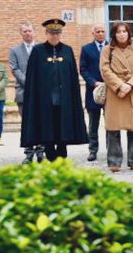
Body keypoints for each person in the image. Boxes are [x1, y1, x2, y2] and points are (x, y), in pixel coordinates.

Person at [20, 19, 88, 159]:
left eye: (57, 33)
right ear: (46, 33)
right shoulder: (38, 51)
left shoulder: (67, 50)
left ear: (61, 33)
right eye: (52, 33)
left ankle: (62, 153)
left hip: (64, 98)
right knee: (47, 128)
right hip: (45, 99)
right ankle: (50, 154)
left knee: (63, 126)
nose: (54, 36)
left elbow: (72, 76)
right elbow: (32, 77)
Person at [99, 21, 133, 172]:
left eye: (124, 31)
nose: (122, 34)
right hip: (115, 92)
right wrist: (120, 85)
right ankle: (114, 161)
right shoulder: (107, 50)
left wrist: (130, 85)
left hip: (131, 91)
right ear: (114, 34)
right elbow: (105, 70)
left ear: (128, 33)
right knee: (113, 128)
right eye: (118, 32)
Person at [9, 22, 42, 162]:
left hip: (41, 93)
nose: (28, 33)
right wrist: (28, 82)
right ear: (21, 33)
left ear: (34, 32)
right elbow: (14, 69)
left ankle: (40, 151)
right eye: (25, 31)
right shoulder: (14, 50)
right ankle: (28, 152)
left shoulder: (42, 48)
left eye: (29, 30)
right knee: (26, 124)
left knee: (41, 122)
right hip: (23, 92)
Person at [79, 23, 107, 162]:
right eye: (98, 31)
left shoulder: (111, 47)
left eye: (102, 31)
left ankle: (112, 149)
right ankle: (93, 150)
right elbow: (83, 69)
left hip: (110, 90)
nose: (100, 33)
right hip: (93, 91)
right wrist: (94, 82)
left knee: (111, 123)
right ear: (93, 33)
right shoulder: (86, 49)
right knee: (93, 124)